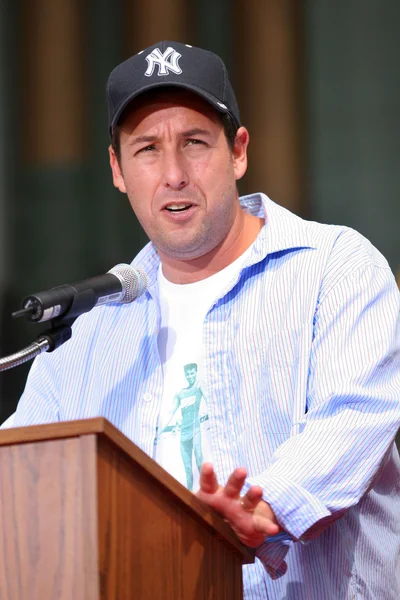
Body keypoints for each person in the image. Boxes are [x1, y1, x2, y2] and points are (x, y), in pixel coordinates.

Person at [13, 40, 400, 599]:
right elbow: (23, 470)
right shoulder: (92, 324)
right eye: (146, 150)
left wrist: (266, 505)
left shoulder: (335, 269)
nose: (173, 174)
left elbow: (353, 418)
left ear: (238, 152)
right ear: (118, 170)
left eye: (194, 143)